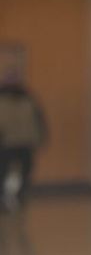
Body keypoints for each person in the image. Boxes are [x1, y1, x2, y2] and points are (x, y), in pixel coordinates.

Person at [0, 69, 48, 212]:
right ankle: (11, 197)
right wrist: (41, 137)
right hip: (15, 143)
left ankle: (14, 197)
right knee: (16, 172)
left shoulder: (29, 100)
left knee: (17, 172)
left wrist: (41, 137)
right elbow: (40, 121)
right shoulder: (29, 100)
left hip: (14, 143)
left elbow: (39, 121)